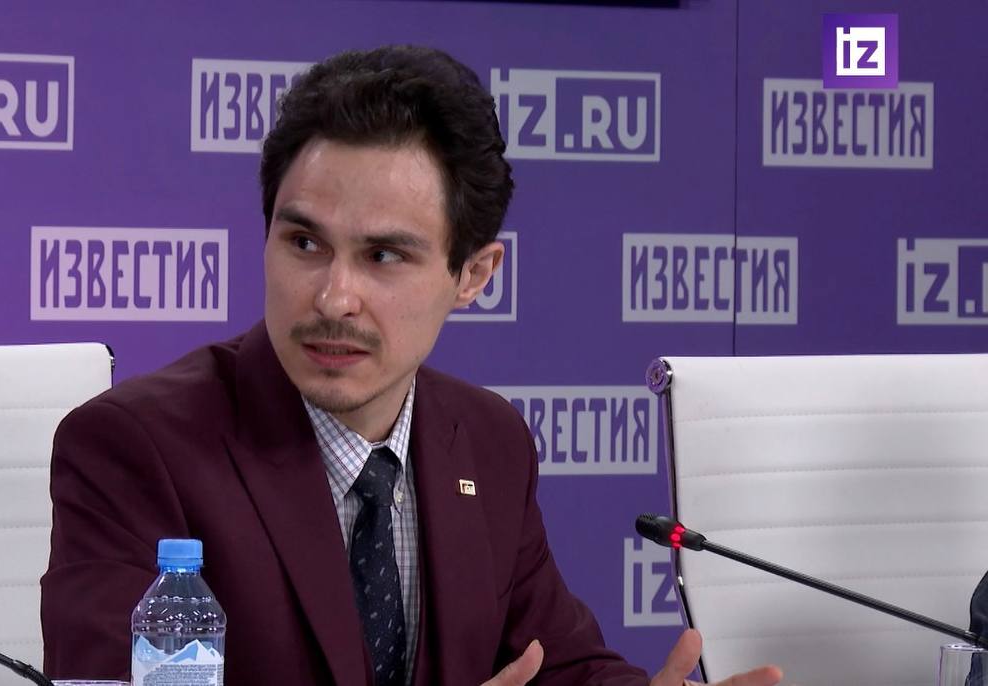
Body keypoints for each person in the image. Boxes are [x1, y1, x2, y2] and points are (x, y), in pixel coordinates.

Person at [40, 44, 782, 686]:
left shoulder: (488, 441)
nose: (334, 297)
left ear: (473, 275)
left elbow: (555, 664)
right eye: (304, 244)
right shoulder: (135, 447)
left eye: (384, 256)